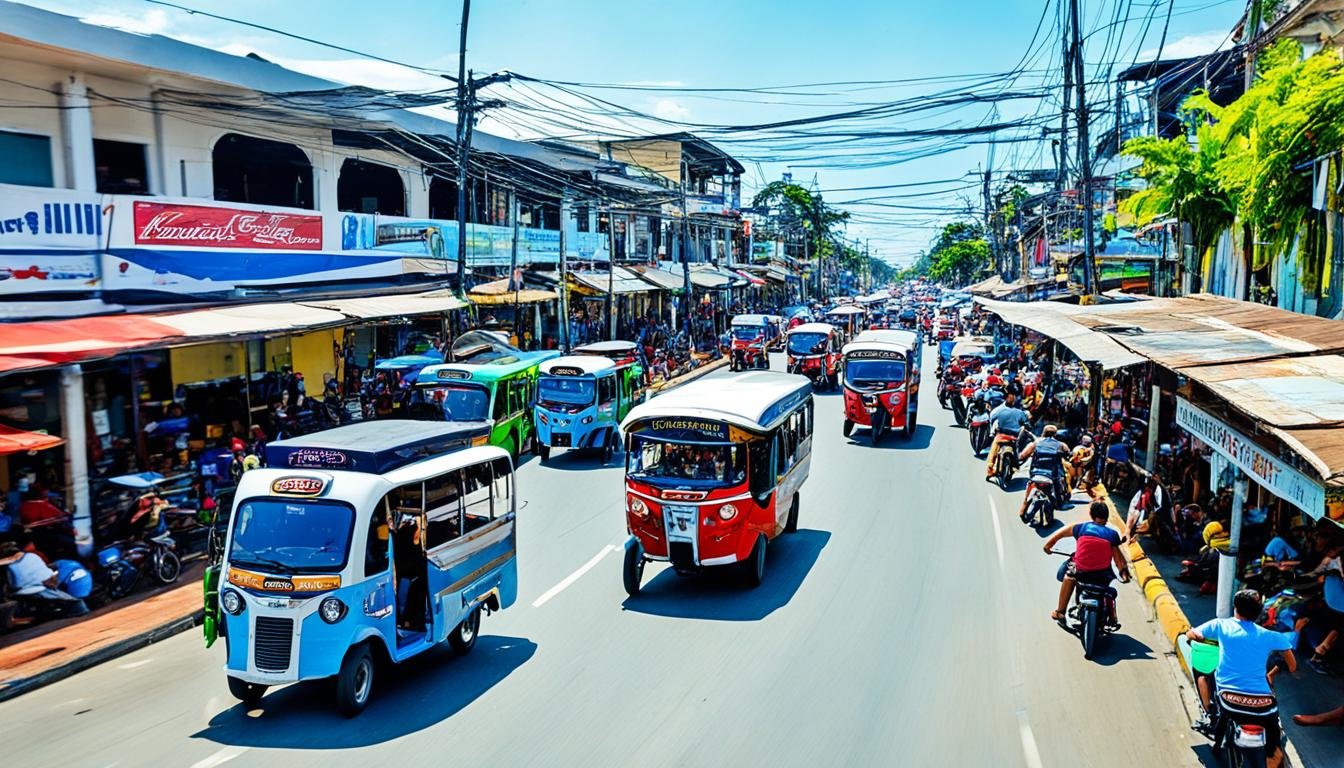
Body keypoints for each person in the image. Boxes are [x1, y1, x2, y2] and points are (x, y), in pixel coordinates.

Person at [1187, 590, 1296, 768]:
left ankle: (1211, 721)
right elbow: (1292, 666)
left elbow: (1191, 634)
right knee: (1275, 741)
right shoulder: (1271, 636)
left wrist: (1196, 637)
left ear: (1235, 607)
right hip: (1264, 706)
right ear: (1259, 611)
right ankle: (1274, 755)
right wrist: (1277, 669)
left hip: (1229, 700)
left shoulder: (1220, 625)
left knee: (1203, 675)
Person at [1043, 501, 1131, 625]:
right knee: (1109, 589)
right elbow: (1118, 560)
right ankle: (1111, 616)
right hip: (1102, 575)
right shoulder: (1112, 535)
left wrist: (1048, 546)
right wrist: (1124, 573)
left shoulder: (1081, 528)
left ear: (1091, 515)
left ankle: (1060, 612)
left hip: (1081, 572)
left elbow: (1060, 533)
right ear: (1106, 517)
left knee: (1068, 577)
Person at [0, 541, 88, 617]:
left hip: (28, 593)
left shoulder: (9, 564)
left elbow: (13, 587)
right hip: (42, 589)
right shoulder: (32, 556)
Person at [1017, 424, 1070, 519]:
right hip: (1052, 476)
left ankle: (1023, 508)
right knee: (1060, 483)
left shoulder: (1035, 443)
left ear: (1043, 433)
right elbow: (1068, 454)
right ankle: (1059, 504)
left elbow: (1022, 456)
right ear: (1055, 434)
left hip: (1035, 473)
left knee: (1028, 492)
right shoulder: (1061, 445)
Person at [985, 391, 1030, 478]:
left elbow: (991, 419)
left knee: (993, 449)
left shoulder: (998, 411)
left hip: (1002, 436)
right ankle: (1015, 465)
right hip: (1014, 437)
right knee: (1017, 446)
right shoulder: (1020, 412)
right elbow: (1027, 424)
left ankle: (990, 469)